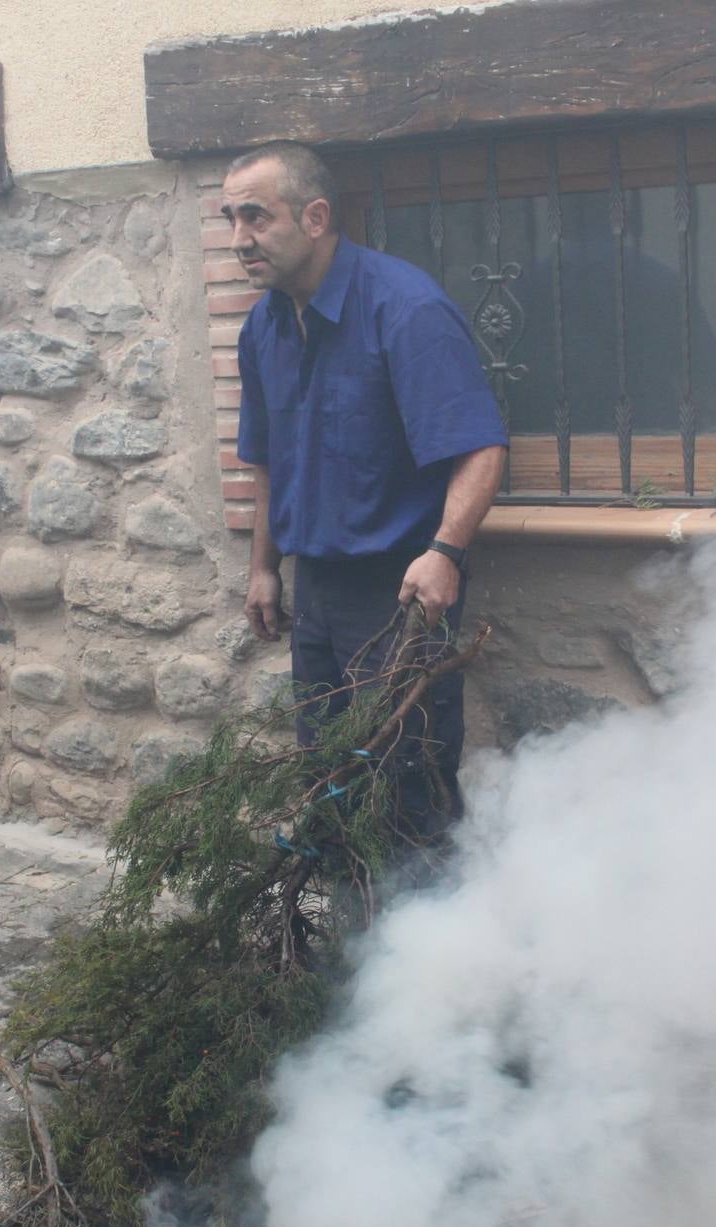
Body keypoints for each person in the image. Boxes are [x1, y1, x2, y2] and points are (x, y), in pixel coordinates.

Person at [225, 142, 508, 843]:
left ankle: (433, 940)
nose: (239, 240)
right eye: (231, 219)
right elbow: (266, 461)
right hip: (314, 585)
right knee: (327, 767)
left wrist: (444, 551)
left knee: (407, 771)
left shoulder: (404, 309)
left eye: (256, 217)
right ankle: (354, 935)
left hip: (401, 588)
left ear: (315, 217)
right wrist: (263, 567)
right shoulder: (262, 326)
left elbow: (481, 448)